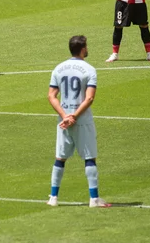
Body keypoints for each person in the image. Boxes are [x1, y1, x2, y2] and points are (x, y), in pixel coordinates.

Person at [47, 35, 110, 208]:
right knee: (89, 158)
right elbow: (89, 99)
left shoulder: (58, 69)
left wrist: (65, 115)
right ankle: (94, 199)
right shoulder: (89, 70)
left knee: (60, 158)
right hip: (82, 120)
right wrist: (74, 116)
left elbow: (51, 96)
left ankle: (53, 197)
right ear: (83, 49)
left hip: (63, 121)